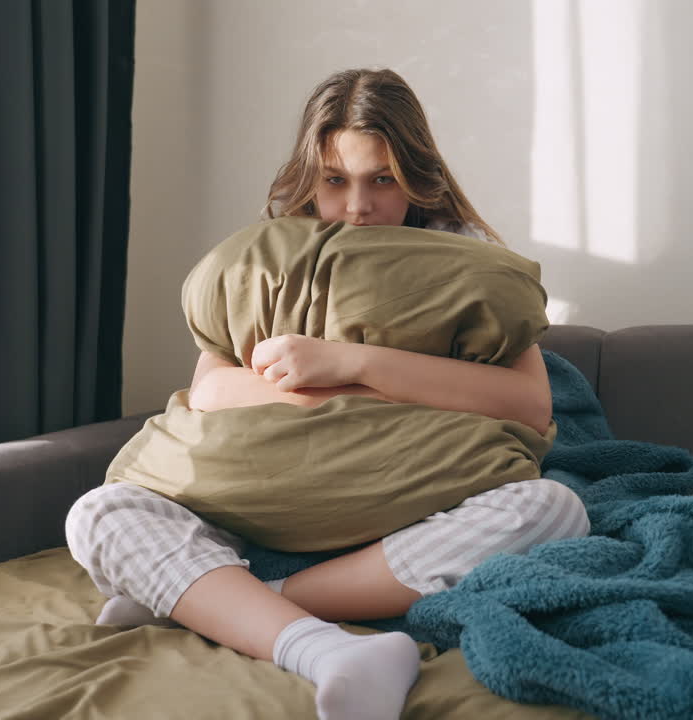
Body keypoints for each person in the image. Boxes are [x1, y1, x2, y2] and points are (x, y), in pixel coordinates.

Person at [65, 68, 590, 720]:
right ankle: (323, 647)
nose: (357, 207)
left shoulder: (463, 262)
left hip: (408, 504)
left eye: (382, 180)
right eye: (336, 180)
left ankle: (236, 600)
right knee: (99, 514)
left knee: (554, 508)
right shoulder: (275, 255)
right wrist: (318, 395)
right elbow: (210, 391)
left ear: (416, 177)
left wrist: (351, 361)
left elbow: (528, 405)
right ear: (309, 175)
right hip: (256, 500)